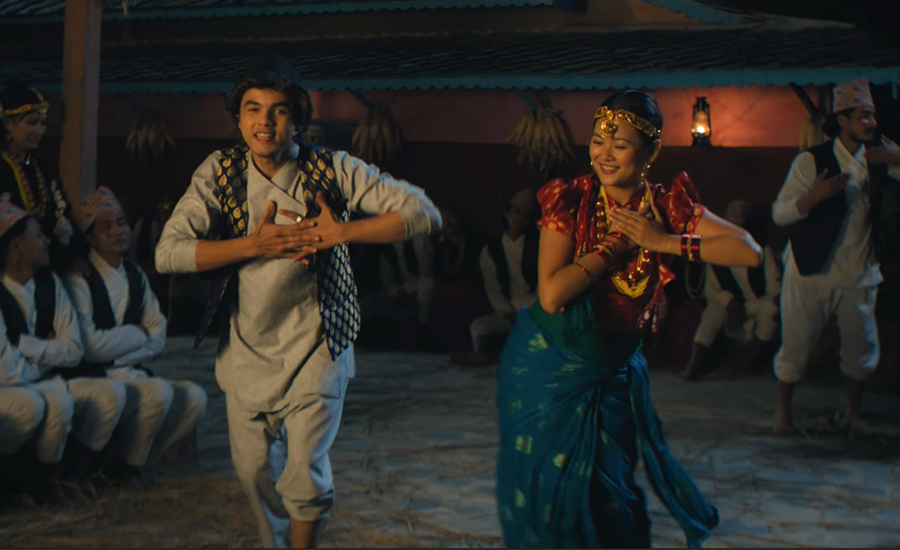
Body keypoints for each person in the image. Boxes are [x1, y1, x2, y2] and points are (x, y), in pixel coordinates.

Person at [154, 54, 441, 548]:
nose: (264, 121)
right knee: (252, 472)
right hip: (247, 348)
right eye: (252, 109)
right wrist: (253, 245)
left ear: (299, 119)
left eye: (279, 110)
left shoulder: (333, 168)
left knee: (305, 473)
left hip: (317, 342)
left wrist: (341, 233)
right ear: (238, 118)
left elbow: (424, 213)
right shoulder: (220, 171)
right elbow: (168, 254)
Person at [495, 90, 762, 548]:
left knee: (614, 497)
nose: (604, 154)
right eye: (599, 141)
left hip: (614, 370)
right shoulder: (571, 199)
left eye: (619, 145)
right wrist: (612, 250)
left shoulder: (665, 207)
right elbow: (553, 294)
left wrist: (665, 243)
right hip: (548, 364)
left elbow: (749, 251)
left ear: (651, 151)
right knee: (550, 497)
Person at [771, 78, 900, 436]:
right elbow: (780, 214)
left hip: (859, 272)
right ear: (842, 119)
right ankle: (782, 416)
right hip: (810, 269)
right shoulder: (811, 161)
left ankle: (851, 413)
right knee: (796, 346)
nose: (871, 123)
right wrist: (813, 198)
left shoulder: (880, 157)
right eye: (863, 116)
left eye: (873, 116)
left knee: (861, 350)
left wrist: (898, 158)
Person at [64, 186, 207, 487]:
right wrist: (136, 334)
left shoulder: (134, 274)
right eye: (106, 227)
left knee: (194, 397)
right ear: (90, 237)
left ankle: (139, 464)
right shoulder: (80, 279)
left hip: (126, 371)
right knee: (157, 393)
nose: (117, 231)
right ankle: (105, 472)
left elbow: (158, 335)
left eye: (121, 223)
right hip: (89, 375)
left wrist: (122, 352)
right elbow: (89, 346)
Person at [0, 197, 126, 504]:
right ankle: (11, 482)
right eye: (38, 236)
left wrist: (27, 347)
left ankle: (60, 480)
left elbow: (73, 350)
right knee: (34, 404)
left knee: (104, 395)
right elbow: (6, 371)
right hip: (10, 386)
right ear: (16, 246)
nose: (47, 241)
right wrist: (49, 354)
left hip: (38, 378)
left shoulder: (50, 285)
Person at [681, 199, 781, 380]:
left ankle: (748, 364)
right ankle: (693, 367)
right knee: (712, 313)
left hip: (755, 304)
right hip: (728, 305)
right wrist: (729, 303)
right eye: (733, 216)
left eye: (741, 216)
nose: (737, 221)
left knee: (771, 309)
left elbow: (774, 290)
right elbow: (712, 291)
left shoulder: (762, 252)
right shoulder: (715, 250)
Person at [0, 82, 84, 274]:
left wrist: (71, 255)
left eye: (43, 123)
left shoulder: (40, 169)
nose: (39, 130)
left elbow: (62, 215)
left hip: (44, 263)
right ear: (7, 124)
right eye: (32, 123)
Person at [465, 189, 538, 364]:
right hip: (507, 311)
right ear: (506, 214)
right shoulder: (491, 249)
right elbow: (493, 288)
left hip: (533, 308)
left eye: (525, 215)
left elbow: (542, 285)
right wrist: (507, 313)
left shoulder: (537, 246)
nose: (519, 218)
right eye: (516, 212)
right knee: (479, 327)